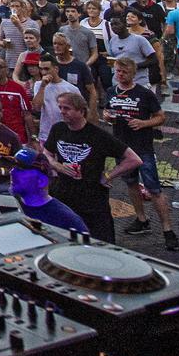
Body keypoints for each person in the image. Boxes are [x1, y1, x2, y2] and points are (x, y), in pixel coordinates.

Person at [43, 89, 140, 243]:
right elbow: (46, 153)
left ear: (81, 111)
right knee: (60, 237)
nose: (62, 112)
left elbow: (134, 159)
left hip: (91, 199)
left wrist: (108, 175)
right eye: (60, 107)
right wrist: (57, 165)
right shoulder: (58, 129)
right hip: (63, 193)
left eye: (66, 108)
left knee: (100, 240)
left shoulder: (98, 135)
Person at [106, 56, 179, 251]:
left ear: (133, 73)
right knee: (131, 183)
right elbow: (109, 112)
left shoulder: (144, 94)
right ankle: (141, 218)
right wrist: (108, 117)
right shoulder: (111, 92)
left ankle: (168, 229)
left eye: (125, 72)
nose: (120, 76)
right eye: (118, 72)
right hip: (122, 146)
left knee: (153, 188)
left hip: (142, 147)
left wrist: (144, 123)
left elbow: (161, 117)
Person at [8, 148, 89, 234]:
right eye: (12, 167)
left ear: (41, 181)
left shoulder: (68, 220)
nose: (12, 172)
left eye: (20, 170)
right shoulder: (5, 206)